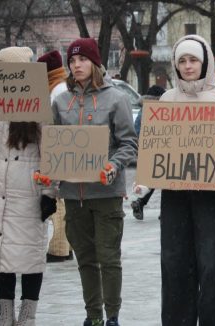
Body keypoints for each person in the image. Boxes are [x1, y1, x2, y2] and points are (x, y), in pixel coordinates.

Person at [48, 38, 138, 326]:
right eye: (72, 61)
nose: (76, 65)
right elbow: (54, 145)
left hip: (106, 193)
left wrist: (113, 165)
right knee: (85, 259)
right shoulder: (61, 101)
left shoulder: (116, 98)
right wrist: (49, 172)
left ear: (95, 63)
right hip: (74, 195)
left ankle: (112, 315)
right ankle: (93, 316)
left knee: (109, 258)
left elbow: (128, 143)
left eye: (82, 60)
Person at [155, 34, 215, 326]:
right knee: (175, 265)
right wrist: (145, 181)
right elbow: (155, 147)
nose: (188, 66)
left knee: (210, 267)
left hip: (211, 195)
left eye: (193, 60)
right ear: (175, 65)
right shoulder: (166, 100)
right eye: (182, 60)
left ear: (204, 62)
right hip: (175, 195)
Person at [0, 46, 57, 326]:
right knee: (0, 253)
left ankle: (28, 313)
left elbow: (51, 153)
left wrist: (49, 192)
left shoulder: (39, 107)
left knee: (30, 252)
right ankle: (5, 312)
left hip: (27, 190)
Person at [36, 50, 74, 263]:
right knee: (61, 203)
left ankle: (60, 248)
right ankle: (64, 246)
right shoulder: (63, 85)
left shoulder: (56, 89)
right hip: (62, 148)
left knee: (59, 204)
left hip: (58, 149)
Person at [130, 85, 166, 221]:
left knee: (152, 179)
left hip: (146, 150)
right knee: (166, 180)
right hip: (162, 150)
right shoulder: (163, 110)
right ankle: (165, 211)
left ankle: (140, 202)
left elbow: (136, 131)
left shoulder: (143, 110)